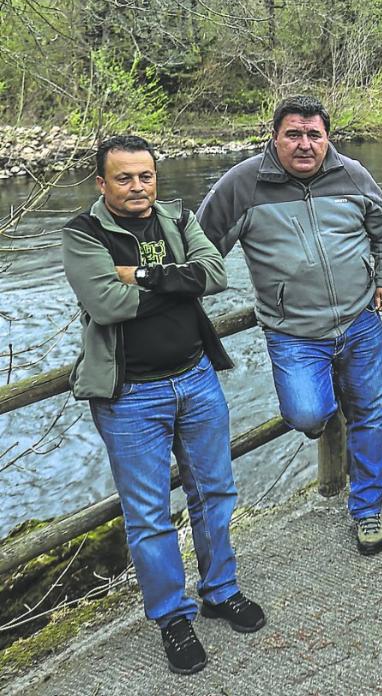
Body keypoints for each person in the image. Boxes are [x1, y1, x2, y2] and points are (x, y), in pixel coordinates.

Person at [63, 135, 264, 676]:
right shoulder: (82, 235)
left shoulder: (176, 216)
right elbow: (106, 304)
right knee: (149, 516)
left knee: (215, 491)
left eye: (145, 176)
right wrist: (179, 282)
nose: (137, 187)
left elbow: (216, 273)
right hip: (131, 395)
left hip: (196, 379)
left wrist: (142, 276)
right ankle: (173, 618)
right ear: (101, 183)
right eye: (124, 178)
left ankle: (220, 591)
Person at [198, 95, 382, 556]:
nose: (305, 144)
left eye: (314, 134)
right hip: (293, 335)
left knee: (369, 415)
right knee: (308, 414)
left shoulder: (352, 174)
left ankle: (367, 509)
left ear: (328, 137)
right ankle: (323, 401)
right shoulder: (242, 184)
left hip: (360, 323)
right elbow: (201, 244)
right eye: (294, 134)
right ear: (274, 137)